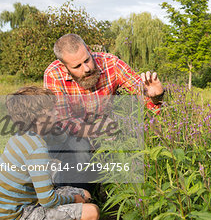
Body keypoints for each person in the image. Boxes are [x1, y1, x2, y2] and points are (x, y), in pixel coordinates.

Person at [0, 86, 100, 220]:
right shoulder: (36, 147)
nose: (57, 112)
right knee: (91, 213)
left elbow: (61, 139)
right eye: (52, 109)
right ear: (38, 116)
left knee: (85, 193)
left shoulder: (23, 135)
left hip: (4, 213)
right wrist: (72, 198)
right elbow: (47, 200)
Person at [43, 33, 165, 189]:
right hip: (71, 133)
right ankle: (72, 198)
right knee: (79, 151)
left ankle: (112, 192)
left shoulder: (111, 64)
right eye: (77, 67)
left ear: (88, 50)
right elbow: (62, 122)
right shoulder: (53, 75)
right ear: (63, 66)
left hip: (105, 127)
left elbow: (143, 94)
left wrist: (156, 96)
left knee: (126, 144)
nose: (86, 69)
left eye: (87, 60)